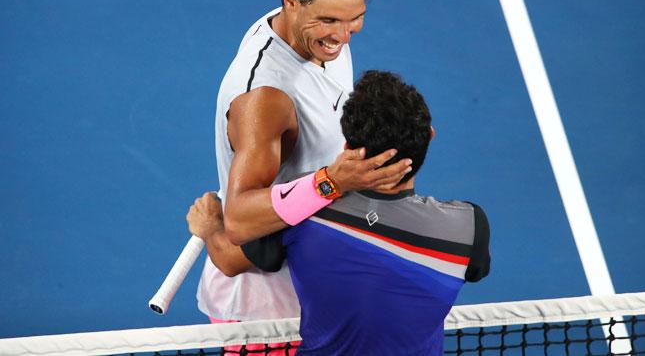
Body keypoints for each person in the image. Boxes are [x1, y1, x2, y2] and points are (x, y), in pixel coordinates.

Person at [195, 0, 412, 353]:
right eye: (330, 21)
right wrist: (334, 180)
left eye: (355, 19)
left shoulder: (316, 36)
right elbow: (239, 223)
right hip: (268, 312)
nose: (343, 37)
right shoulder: (265, 99)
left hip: (319, 282)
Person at [188, 70, 491, 355]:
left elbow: (230, 258)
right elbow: (475, 270)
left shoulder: (303, 211)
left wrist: (211, 226)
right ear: (430, 136)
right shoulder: (469, 226)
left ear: (347, 146)